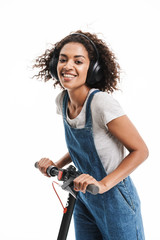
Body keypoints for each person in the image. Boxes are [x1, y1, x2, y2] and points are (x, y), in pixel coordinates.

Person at [33, 30, 149, 240]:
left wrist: (103, 184)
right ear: (54, 66)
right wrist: (56, 164)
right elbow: (81, 147)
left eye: (78, 61)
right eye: (63, 60)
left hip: (115, 197)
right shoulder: (62, 101)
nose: (68, 66)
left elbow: (140, 151)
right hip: (84, 194)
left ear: (93, 68)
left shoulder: (101, 104)